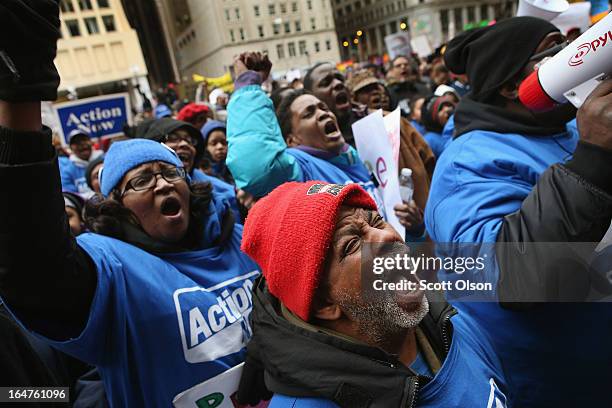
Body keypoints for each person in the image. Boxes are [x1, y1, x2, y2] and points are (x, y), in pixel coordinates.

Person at [0, 4, 260, 404]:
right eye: (141, 180)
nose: (161, 184)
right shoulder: (111, 266)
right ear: (118, 206)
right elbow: (36, 269)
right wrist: (22, 100)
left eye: (171, 173)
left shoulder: (240, 236)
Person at [426, 17, 612, 406]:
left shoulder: (569, 129)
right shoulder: (467, 164)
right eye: (554, 50)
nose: (575, 57)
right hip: (555, 385)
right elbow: (504, 273)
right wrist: (593, 159)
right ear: (512, 87)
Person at [237, 181, 510, 407]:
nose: (386, 237)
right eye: (352, 244)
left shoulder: (453, 323)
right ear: (323, 304)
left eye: (377, 221)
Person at [227, 52, 385, 215]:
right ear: (292, 140)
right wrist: (248, 87)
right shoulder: (301, 171)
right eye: (308, 114)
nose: (324, 114)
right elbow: (258, 167)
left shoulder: (352, 158)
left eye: (323, 108)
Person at [142, 117, 241, 223]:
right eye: (173, 138)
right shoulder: (139, 190)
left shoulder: (223, 191)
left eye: (190, 141)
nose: (185, 144)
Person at [303, 62, 368, 147]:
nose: (338, 83)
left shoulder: (372, 122)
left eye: (340, 79)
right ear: (310, 96)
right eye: (326, 83)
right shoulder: (310, 149)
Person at [59, 129, 103, 197]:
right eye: (76, 142)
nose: (82, 144)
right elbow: (70, 194)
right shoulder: (67, 171)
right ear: (70, 148)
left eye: (84, 140)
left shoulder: (104, 160)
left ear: (91, 141)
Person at [201, 120, 234, 185]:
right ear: (205, 147)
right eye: (213, 143)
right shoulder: (201, 172)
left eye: (224, 142)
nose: (220, 147)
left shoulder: (234, 167)